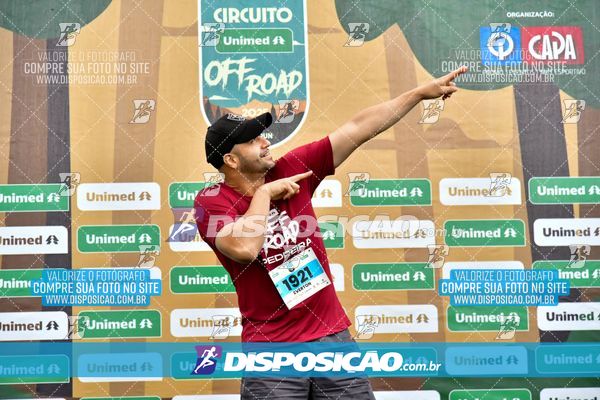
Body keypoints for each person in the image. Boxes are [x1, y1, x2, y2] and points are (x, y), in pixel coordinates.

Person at [194, 66, 468, 399]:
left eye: (262, 135)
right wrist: (264, 194)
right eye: (253, 141)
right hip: (271, 352)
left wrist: (418, 94)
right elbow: (244, 247)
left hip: (332, 341)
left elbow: (356, 128)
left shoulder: (292, 167)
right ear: (232, 161)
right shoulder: (211, 201)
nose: (266, 142)